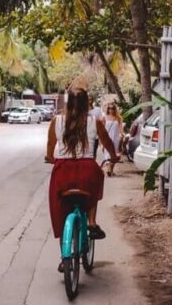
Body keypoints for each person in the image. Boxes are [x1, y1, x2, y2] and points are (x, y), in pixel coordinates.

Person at [46, 86, 119, 271]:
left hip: (62, 170)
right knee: (95, 183)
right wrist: (114, 156)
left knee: (62, 211)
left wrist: (50, 158)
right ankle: (92, 222)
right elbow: (108, 143)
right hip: (87, 169)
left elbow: (50, 147)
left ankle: (65, 257)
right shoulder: (95, 121)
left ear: (68, 103)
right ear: (87, 102)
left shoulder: (57, 121)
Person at [103, 103, 124, 176]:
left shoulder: (118, 118)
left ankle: (111, 170)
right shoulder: (105, 117)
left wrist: (122, 135)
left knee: (114, 155)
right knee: (107, 154)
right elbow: (102, 129)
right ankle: (108, 169)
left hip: (116, 139)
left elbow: (121, 128)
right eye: (109, 108)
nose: (111, 110)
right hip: (107, 138)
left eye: (112, 108)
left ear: (115, 109)